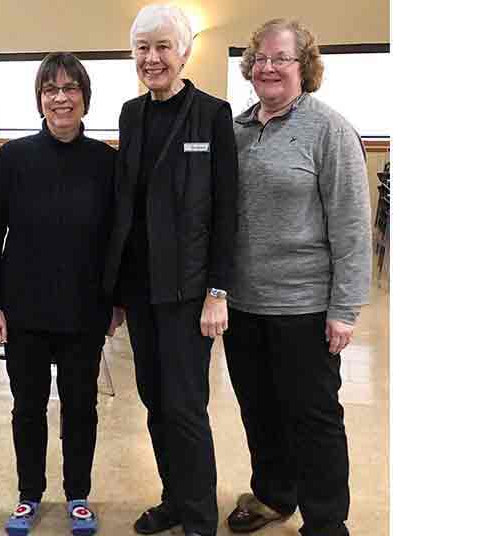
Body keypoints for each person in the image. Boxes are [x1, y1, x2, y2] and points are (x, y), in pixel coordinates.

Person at [222, 18, 372, 536]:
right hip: (243, 304)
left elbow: (352, 225)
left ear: (303, 67)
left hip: (304, 307)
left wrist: (344, 309)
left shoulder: (329, 129)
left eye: (281, 58)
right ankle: (273, 495)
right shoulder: (235, 129)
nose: (268, 66)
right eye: (259, 58)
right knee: (259, 411)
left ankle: (327, 520)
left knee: (313, 420)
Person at [102, 5, 237, 536]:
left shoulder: (212, 114)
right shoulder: (132, 115)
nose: (152, 58)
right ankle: (175, 499)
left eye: (163, 47)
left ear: (183, 52)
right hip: (141, 289)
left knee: (185, 406)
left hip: (188, 290)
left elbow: (226, 211)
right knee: (155, 401)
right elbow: (125, 207)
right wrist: (114, 292)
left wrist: (217, 290)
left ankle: (200, 516)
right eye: (142, 48)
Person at [0, 52, 119, 536]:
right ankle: (28, 495)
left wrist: (117, 300)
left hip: (85, 312)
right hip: (25, 311)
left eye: (70, 88)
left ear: (85, 97)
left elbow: (121, 239)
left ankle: (78, 494)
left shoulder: (106, 162)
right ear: (40, 99)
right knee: (27, 407)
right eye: (50, 89)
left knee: (82, 407)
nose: (61, 98)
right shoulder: (14, 158)